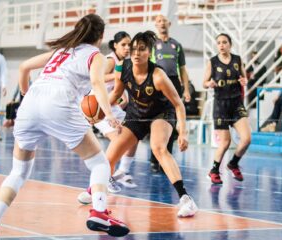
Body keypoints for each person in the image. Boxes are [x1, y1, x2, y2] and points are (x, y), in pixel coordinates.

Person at [0, 14, 130, 239]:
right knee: (99, 163)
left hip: (30, 103)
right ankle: (98, 211)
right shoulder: (95, 55)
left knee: (18, 172)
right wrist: (109, 114)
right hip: (59, 101)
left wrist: (27, 95)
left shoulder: (61, 50)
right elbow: (97, 83)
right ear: (101, 36)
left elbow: (25, 67)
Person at [108, 31, 197, 217]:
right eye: (133, 49)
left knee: (158, 148)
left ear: (150, 53)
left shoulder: (158, 76)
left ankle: (186, 200)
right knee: (110, 155)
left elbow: (179, 104)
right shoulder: (122, 68)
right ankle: (96, 193)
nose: (136, 53)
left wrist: (183, 133)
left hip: (161, 112)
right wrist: (100, 111)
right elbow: (116, 95)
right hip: (136, 113)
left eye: (142, 49)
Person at [77, 32, 137, 204]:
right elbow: (98, 78)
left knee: (133, 137)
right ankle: (104, 178)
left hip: (114, 105)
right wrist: (118, 76)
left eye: (129, 45)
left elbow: (120, 87)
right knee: (118, 140)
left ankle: (123, 171)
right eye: (124, 44)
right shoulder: (110, 60)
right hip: (99, 107)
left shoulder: (128, 62)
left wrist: (124, 96)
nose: (127, 48)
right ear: (115, 46)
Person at [203, 33, 251, 184]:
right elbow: (204, 82)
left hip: (236, 104)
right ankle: (214, 171)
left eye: (224, 42)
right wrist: (208, 84)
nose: (221, 45)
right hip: (221, 105)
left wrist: (244, 80)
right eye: (219, 43)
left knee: (247, 139)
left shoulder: (238, 60)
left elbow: (244, 78)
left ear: (230, 44)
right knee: (225, 142)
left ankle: (233, 163)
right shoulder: (213, 62)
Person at [149, 15, 191, 173]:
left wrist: (186, 89)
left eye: (164, 20)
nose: (161, 23)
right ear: (155, 24)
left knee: (172, 121)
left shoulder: (176, 45)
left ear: (169, 23)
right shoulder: (152, 45)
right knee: (157, 120)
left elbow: (183, 70)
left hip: (174, 83)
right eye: (158, 21)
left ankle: (167, 156)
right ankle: (154, 158)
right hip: (158, 82)